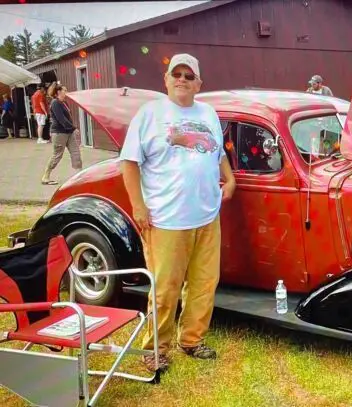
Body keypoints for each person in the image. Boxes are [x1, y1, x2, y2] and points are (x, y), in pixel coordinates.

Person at [119, 53, 236, 373]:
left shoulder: (208, 112)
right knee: (165, 288)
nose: (182, 80)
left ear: (199, 83)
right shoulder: (149, 114)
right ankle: (156, 347)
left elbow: (217, 148)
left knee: (204, 283)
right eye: (177, 74)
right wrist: (138, 206)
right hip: (166, 219)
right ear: (166, 79)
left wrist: (230, 176)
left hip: (207, 215)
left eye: (189, 75)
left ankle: (192, 340)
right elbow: (129, 162)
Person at [41, 83, 83, 185]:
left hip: (69, 132)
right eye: (65, 90)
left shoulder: (64, 102)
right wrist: (73, 128)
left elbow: (68, 118)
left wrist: (71, 128)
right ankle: (46, 176)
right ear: (58, 92)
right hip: (59, 133)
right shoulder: (55, 103)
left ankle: (80, 176)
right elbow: (61, 119)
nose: (66, 92)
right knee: (57, 155)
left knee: (75, 152)